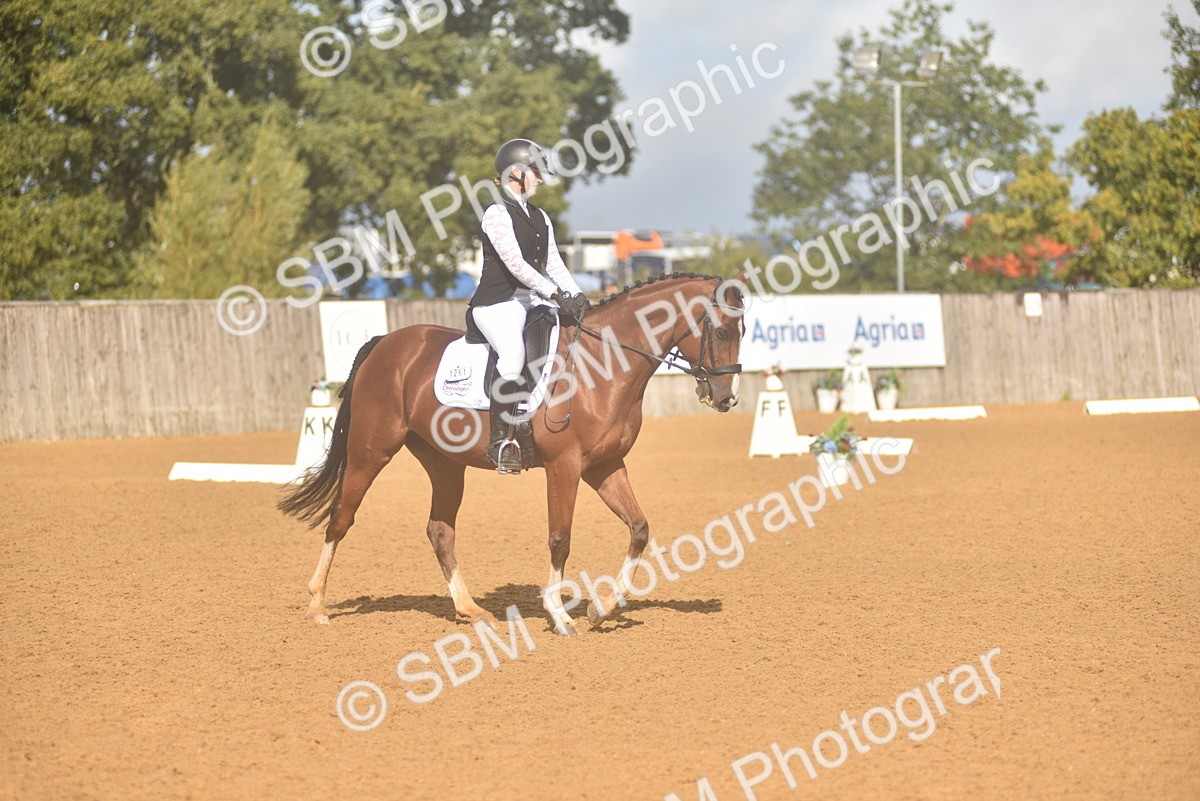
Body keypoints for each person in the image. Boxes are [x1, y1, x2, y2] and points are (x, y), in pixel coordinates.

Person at [468, 138, 590, 472]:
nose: (540, 179)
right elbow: (517, 265)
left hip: (531, 302)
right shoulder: (495, 214)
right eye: (536, 172)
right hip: (496, 304)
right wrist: (554, 294)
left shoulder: (540, 217)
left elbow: (554, 263)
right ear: (517, 173)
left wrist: (576, 294)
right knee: (513, 355)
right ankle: (500, 442)